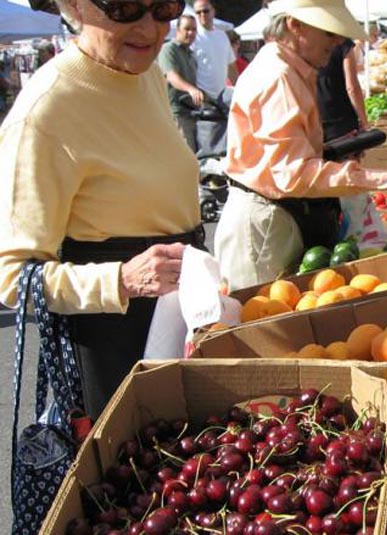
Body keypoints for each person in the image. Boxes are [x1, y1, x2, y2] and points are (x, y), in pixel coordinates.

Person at [0, 0, 202, 418]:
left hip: (179, 321)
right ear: (74, 5)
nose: (150, 29)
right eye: (127, 8)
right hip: (114, 345)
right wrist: (123, 279)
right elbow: (12, 278)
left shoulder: (143, 74)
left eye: (164, 7)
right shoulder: (45, 111)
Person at [216, 0, 387, 290]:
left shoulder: (288, 69)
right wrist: (385, 180)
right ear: (295, 26)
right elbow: (294, 173)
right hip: (266, 223)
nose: (338, 40)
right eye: (329, 31)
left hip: (276, 215)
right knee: (267, 322)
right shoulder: (279, 76)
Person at [159, 14, 202, 151]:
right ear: (178, 30)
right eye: (187, 29)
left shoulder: (190, 54)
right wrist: (191, 90)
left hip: (193, 112)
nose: (191, 33)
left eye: (194, 29)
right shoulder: (169, 49)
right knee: (187, 155)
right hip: (177, 113)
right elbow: (172, 76)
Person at [318, 38, 368, 140]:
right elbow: (352, 87)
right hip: (341, 117)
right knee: (346, 153)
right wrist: (364, 121)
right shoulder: (342, 42)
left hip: (313, 116)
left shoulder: (305, 42)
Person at [191, 0, 235, 100]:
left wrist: (238, 89)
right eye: (198, 12)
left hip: (223, 97)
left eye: (205, 11)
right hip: (201, 98)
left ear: (213, 11)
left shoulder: (222, 35)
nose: (202, 14)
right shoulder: (192, 37)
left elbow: (231, 65)